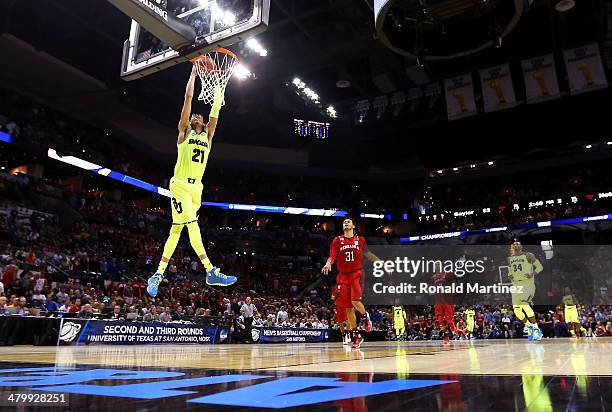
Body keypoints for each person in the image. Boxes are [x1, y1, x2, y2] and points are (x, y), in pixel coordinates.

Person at [147, 64, 236, 297]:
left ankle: (157, 274)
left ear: (203, 121)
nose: (196, 114)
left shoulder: (208, 135)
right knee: (192, 225)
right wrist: (194, 75)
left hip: (197, 188)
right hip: (180, 185)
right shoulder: (183, 133)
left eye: (199, 115)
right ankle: (210, 270)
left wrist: (218, 82)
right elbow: (188, 98)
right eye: (193, 115)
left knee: (176, 230)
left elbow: (217, 107)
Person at [322, 217, 380, 348]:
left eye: (348, 222)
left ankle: (365, 317)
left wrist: (381, 262)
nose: (346, 223)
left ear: (354, 226)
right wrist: (328, 263)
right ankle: (357, 336)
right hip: (343, 276)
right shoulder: (337, 240)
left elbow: (368, 253)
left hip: (356, 273)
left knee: (355, 301)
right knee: (348, 308)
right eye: (344, 222)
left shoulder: (360, 240)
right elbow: (332, 255)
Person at [508, 240, 544, 341]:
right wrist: (509, 275)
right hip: (516, 285)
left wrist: (533, 274)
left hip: (527, 284)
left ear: (521, 246)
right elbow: (509, 272)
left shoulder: (528, 255)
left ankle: (537, 329)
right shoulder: (510, 259)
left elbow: (540, 267)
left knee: (525, 304)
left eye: (518, 243)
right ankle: (529, 327)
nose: (516, 244)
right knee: (517, 311)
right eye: (514, 244)